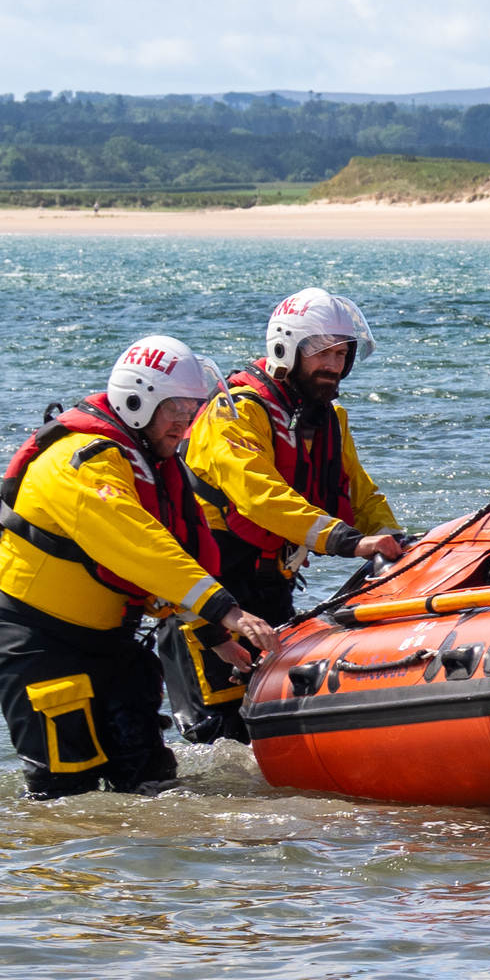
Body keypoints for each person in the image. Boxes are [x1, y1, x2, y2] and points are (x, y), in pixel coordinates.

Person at [0, 337, 280, 799]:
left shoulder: (152, 463)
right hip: (39, 641)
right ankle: (60, 867)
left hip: (112, 642)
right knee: (66, 788)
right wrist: (226, 612)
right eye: (175, 407)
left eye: (193, 407)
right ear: (136, 401)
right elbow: (140, 546)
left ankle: (152, 869)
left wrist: (216, 638)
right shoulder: (78, 462)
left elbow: (184, 555)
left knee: (151, 777)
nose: (186, 420)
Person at [171, 288, 408, 742]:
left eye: (342, 354)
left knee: (270, 724)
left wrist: (394, 540)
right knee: (217, 732)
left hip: (271, 584)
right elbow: (259, 496)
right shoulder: (235, 411)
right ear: (286, 349)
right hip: (212, 590)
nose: (334, 366)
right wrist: (346, 540)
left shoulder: (328, 420)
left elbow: (360, 492)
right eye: (322, 354)